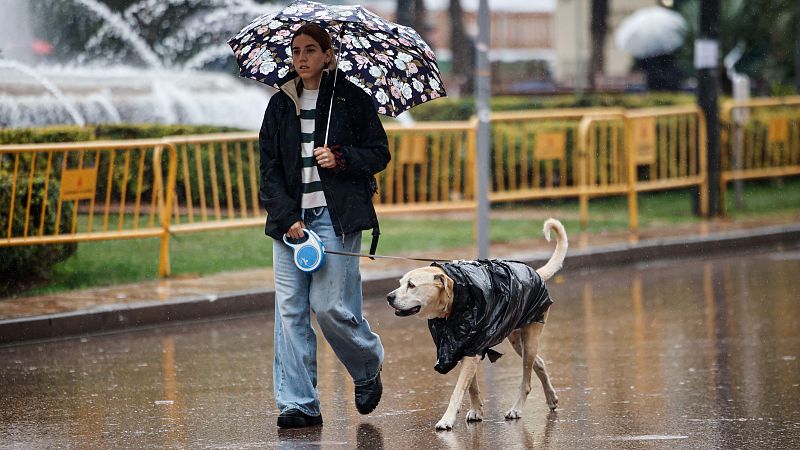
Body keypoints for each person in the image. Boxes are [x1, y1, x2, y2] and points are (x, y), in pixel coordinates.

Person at [259, 23, 390, 429]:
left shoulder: (351, 99)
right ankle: (299, 402)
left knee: (331, 307)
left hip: (337, 220)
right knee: (290, 311)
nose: (301, 58)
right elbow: (269, 171)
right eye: (296, 50)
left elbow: (379, 153)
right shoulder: (280, 104)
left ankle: (367, 364)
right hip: (291, 226)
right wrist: (287, 219)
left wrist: (342, 157)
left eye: (311, 50)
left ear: (328, 54)